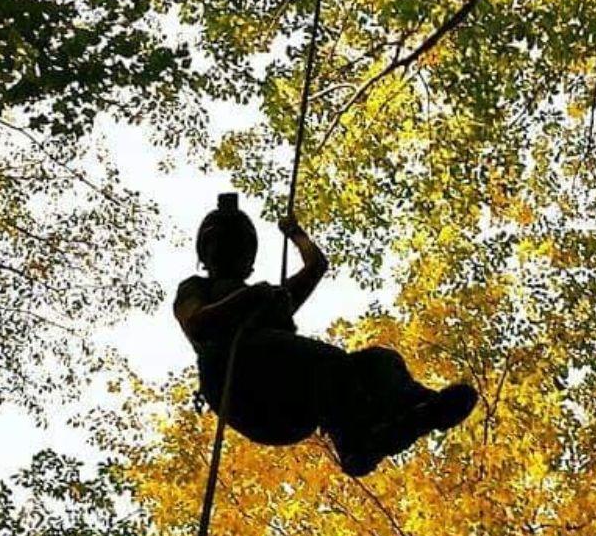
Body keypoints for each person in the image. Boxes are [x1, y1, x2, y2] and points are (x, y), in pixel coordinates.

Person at [173, 193, 477, 477]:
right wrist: (250, 299)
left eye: (236, 246)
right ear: (206, 254)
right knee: (329, 361)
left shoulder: (271, 299)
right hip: (241, 388)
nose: (229, 252)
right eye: (222, 245)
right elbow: (196, 322)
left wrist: (295, 233)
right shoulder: (198, 289)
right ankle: (354, 444)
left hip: (292, 399)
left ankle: (417, 408)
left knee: (378, 361)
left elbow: (316, 266)